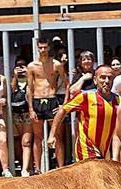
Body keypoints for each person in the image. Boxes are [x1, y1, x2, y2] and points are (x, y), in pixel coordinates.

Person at [48, 65, 119, 162]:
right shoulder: (86, 96)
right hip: (86, 150)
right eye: (102, 77)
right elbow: (63, 110)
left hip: (104, 152)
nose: (106, 81)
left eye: (110, 78)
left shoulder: (118, 100)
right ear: (95, 80)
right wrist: (52, 134)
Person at [27, 38, 68, 171]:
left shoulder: (56, 64)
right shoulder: (32, 66)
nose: (43, 50)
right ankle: (37, 169)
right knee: (38, 137)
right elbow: (30, 88)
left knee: (57, 136)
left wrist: (64, 105)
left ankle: (60, 167)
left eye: (45, 47)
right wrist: (31, 108)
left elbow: (67, 84)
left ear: (49, 48)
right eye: (40, 47)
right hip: (38, 101)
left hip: (52, 100)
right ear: (37, 48)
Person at [10, 58, 34, 177]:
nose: (20, 68)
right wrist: (15, 76)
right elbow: (11, 91)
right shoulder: (13, 80)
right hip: (16, 113)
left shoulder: (31, 79)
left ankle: (25, 169)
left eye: (23, 66)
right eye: (18, 66)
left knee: (26, 141)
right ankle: (26, 165)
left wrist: (28, 74)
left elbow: (31, 91)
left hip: (27, 113)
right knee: (19, 141)